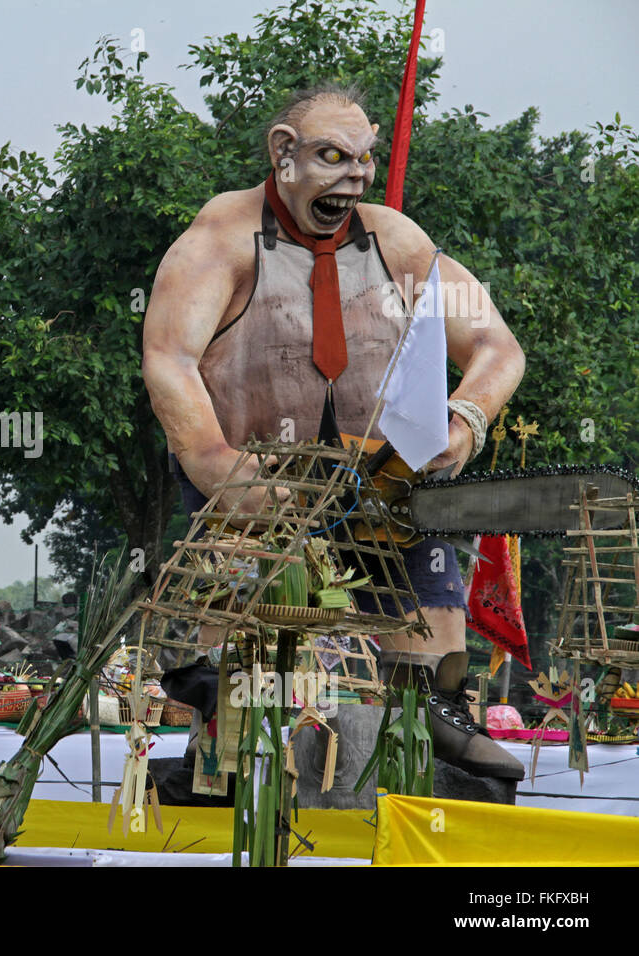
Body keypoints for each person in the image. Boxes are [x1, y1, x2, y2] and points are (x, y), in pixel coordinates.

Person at [142, 83, 526, 781]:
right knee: (243, 632)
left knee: (428, 556)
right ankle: (221, 738)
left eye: (365, 159)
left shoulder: (398, 242)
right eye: (333, 157)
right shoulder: (218, 241)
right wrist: (215, 462)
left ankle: (437, 710)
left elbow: (498, 346)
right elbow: (169, 358)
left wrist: (463, 422)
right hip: (255, 475)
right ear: (283, 155)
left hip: (375, 474)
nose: (354, 176)